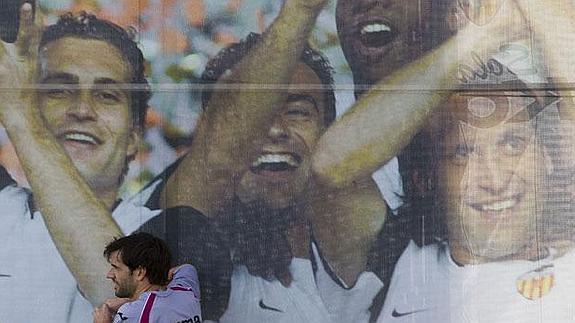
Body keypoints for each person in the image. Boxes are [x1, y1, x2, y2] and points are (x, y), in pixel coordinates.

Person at [0, 7, 155, 322]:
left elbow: (139, 308)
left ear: (133, 138)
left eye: (107, 95)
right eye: (58, 90)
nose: (82, 109)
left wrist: (21, 113)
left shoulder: (173, 225)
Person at [378, 73, 573, 322]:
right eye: (463, 153)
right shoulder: (404, 261)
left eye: (513, 144)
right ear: (425, 180)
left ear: (546, 158)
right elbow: (330, 168)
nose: (496, 181)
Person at [92, 233, 202, 323]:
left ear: (140, 272)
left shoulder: (133, 313)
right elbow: (187, 268)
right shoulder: (186, 290)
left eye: (116, 268)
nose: (109, 275)